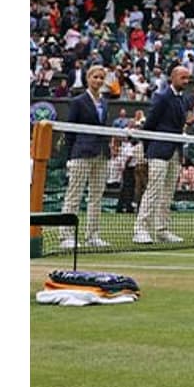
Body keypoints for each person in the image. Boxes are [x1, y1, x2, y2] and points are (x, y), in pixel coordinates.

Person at [134, 65, 191, 243]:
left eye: (188, 78)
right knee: (154, 189)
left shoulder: (183, 100)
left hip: (175, 151)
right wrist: (149, 147)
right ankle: (140, 229)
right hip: (159, 150)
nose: (186, 81)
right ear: (173, 78)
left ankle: (162, 229)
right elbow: (150, 124)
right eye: (183, 78)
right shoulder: (162, 97)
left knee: (168, 192)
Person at [60, 65, 111, 249]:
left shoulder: (105, 103)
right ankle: (66, 236)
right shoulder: (78, 102)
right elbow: (69, 131)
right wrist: (69, 157)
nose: (98, 80)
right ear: (88, 78)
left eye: (101, 78)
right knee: (74, 195)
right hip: (81, 153)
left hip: (101, 154)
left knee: (96, 196)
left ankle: (93, 235)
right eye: (95, 77)